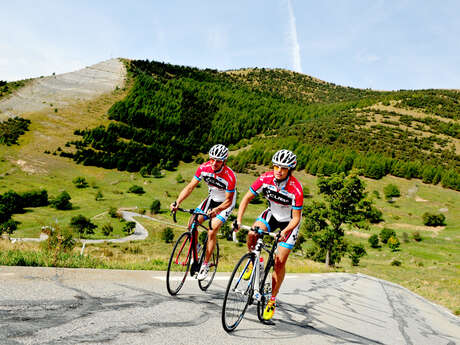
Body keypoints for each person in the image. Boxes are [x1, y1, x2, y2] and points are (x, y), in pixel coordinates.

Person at [234, 149, 303, 321]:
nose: (279, 170)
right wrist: (239, 220)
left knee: (279, 262)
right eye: (276, 166)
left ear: (290, 170)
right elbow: (246, 199)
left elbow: (296, 218)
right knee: (251, 233)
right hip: (271, 215)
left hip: (288, 224)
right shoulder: (265, 179)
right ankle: (253, 261)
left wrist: (284, 232)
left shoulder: (296, 189)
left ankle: (272, 300)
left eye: (283, 168)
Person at [170, 144, 237, 281]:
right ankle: (197, 249)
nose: (214, 163)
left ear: (224, 161)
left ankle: (205, 265)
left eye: (218, 160)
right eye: (212, 159)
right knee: (191, 224)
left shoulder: (230, 176)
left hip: (225, 204)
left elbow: (229, 201)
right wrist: (178, 202)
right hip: (211, 199)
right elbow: (190, 187)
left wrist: (216, 211)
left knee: (212, 230)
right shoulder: (203, 168)